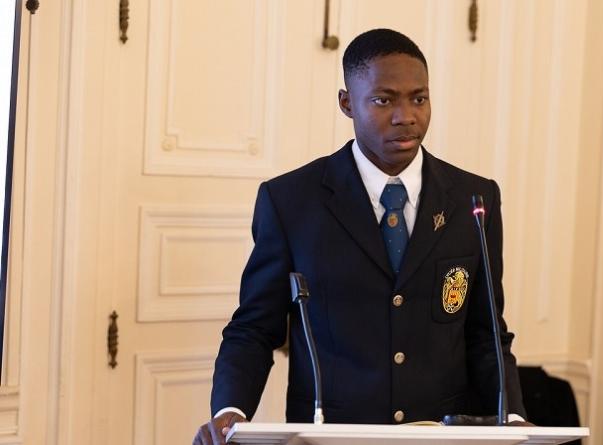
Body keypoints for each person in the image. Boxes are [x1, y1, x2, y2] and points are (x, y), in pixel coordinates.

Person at [193, 28, 527, 445]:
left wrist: (512, 418)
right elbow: (254, 329)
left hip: (443, 434)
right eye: (384, 100)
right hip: (329, 434)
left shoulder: (474, 199)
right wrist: (230, 412)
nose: (406, 115)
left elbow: (487, 332)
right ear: (347, 103)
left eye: (418, 98)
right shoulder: (290, 201)